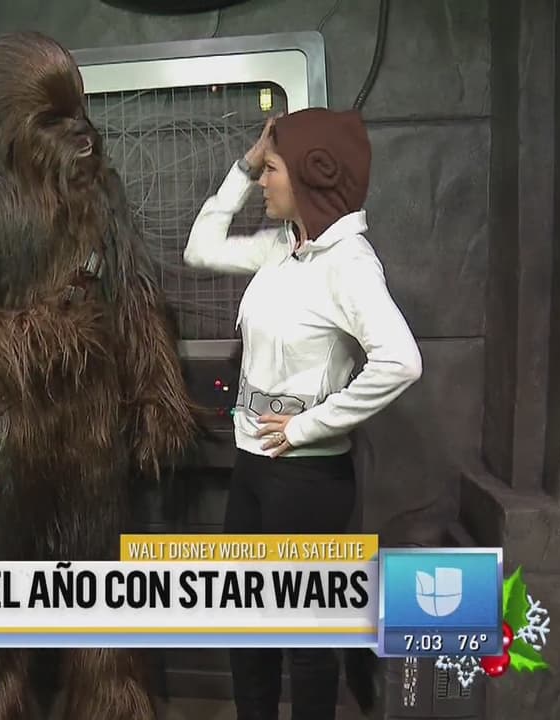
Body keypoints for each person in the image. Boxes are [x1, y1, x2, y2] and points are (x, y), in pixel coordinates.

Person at [184, 109, 423, 719]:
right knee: (247, 626)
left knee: (307, 641)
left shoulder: (350, 263)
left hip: (307, 479)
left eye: (272, 170)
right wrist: (243, 166)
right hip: (253, 467)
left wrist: (307, 425)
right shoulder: (281, 249)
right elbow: (199, 248)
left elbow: (400, 362)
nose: (263, 181)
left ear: (311, 176)